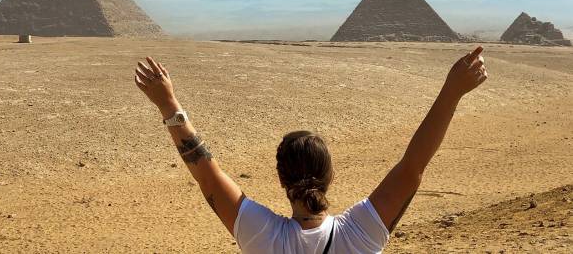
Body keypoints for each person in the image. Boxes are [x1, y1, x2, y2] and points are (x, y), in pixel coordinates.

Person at [134, 46, 487, 253]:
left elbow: (207, 175)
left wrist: (169, 105)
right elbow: (413, 166)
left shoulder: (262, 235)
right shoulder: (359, 233)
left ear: (280, 178)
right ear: (330, 176)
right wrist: (452, 91)